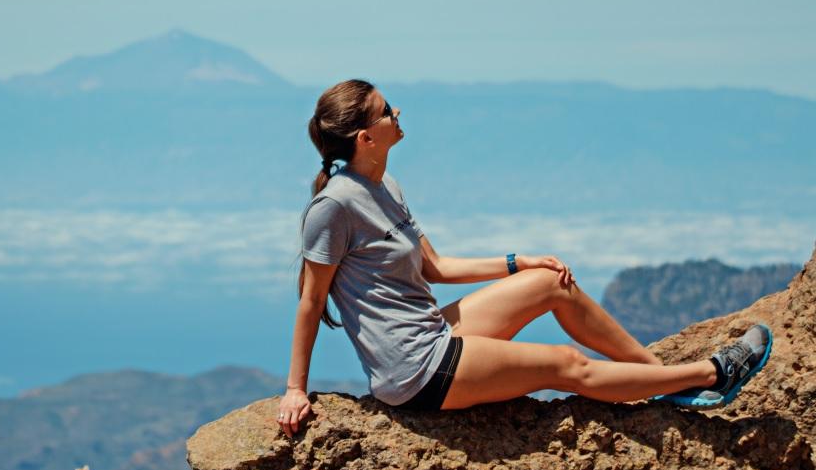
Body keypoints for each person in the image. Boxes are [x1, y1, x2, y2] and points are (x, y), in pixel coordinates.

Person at [277, 79, 773, 437]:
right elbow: (310, 301)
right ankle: (712, 373)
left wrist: (523, 261)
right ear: (365, 138)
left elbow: (438, 268)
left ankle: (666, 381)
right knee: (564, 364)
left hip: (434, 334)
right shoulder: (334, 205)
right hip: (414, 371)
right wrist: (296, 389)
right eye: (387, 111)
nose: (398, 113)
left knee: (551, 284)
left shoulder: (385, 185)